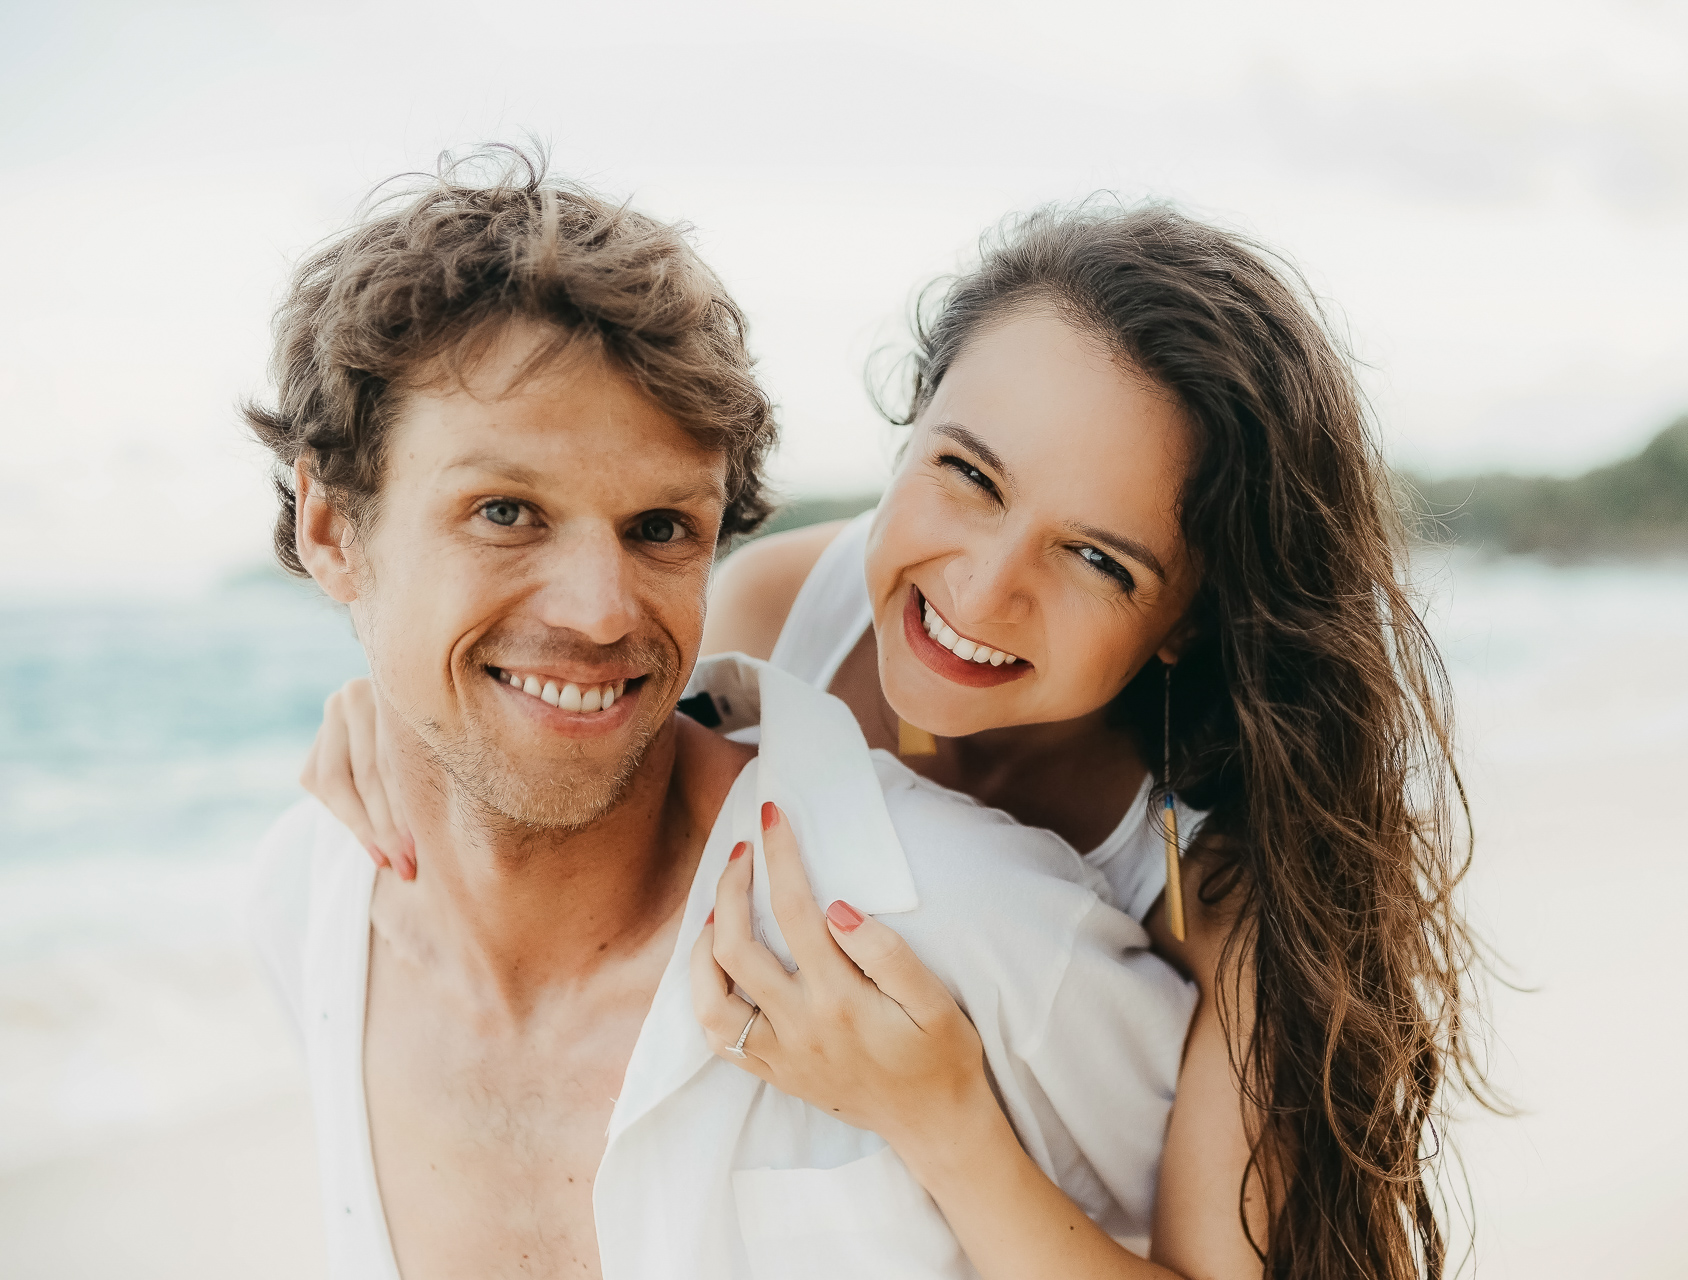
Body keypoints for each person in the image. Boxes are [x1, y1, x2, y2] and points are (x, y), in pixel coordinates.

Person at [310, 202, 1487, 1278]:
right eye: (967, 474)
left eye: (1096, 557)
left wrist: (940, 1113)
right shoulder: (777, 613)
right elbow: (573, 692)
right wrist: (403, 709)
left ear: (1185, 616)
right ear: (909, 432)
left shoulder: (1224, 876)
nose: (981, 589)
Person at [247, 151, 1195, 1280]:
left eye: (659, 529)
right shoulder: (306, 898)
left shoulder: (968, 931)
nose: (601, 613)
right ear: (330, 529)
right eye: (505, 510)